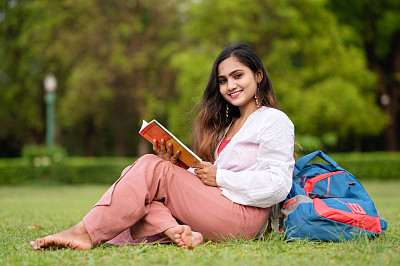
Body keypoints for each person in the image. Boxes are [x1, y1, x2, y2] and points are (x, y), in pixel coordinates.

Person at [30, 43, 295, 251]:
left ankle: (83, 233)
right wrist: (177, 165)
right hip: (220, 207)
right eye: (223, 80)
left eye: (238, 76)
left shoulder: (274, 120)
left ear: (258, 75)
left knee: (148, 167)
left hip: (243, 218)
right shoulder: (229, 126)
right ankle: (176, 231)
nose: (230, 85)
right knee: (138, 186)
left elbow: (277, 184)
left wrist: (219, 176)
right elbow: (216, 181)